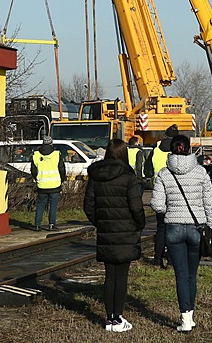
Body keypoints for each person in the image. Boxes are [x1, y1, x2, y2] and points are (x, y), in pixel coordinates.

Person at [151, 133, 212, 334]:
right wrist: (210, 227)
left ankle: (184, 317)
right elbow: (210, 204)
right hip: (197, 228)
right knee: (191, 274)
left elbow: (157, 204)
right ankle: (191, 316)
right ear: (189, 149)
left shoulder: (164, 173)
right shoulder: (201, 172)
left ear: (171, 149)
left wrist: (169, 209)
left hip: (173, 228)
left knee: (180, 275)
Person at [84, 138, 146, 333]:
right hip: (126, 232)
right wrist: (139, 224)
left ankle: (109, 318)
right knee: (122, 276)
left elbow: (88, 206)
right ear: (124, 154)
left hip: (106, 232)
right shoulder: (128, 176)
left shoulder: (96, 176)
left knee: (109, 276)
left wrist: (100, 221)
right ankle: (118, 318)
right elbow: (136, 206)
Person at [145, 124, 179, 268]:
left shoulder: (155, 150)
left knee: (161, 229)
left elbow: (147, 171)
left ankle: (157, 260)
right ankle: (171, 260)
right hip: (174, 193)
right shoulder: (178, 150)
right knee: (174, 229)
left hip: (159, 191)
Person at [31, 137, 66, 231]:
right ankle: (51, 224)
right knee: (53, 205)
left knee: (41, 204)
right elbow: (62, 169)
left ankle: (37, 225)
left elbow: (33, 170)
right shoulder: (56, 154)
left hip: (41, 184)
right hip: (55, 185)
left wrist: (37, 179)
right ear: (51, 143)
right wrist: (62, 180)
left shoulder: (36, 154)